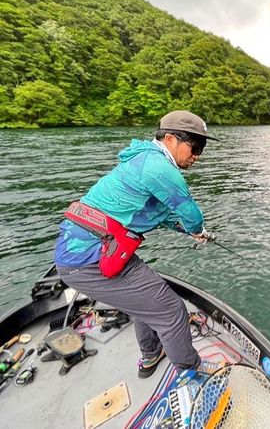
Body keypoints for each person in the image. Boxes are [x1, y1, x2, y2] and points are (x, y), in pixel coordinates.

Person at [54, 110, 218, 378]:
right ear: (170, 139)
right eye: (195, 146)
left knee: (148, 302)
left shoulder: (143, 159)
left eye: (202, 148)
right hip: (89, 259)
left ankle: (152, 354)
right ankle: (192, 371)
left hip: (90, 251)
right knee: (172, 310)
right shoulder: (159, 168)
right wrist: (197, 229)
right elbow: (190, 212)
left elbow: (157, 214)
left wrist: (188, 232)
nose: (197, 155)